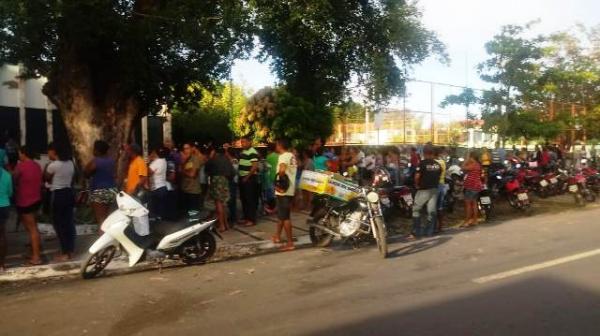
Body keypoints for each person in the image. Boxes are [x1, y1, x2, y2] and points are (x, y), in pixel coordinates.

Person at [45, 142, 76, 261]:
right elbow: (72, 178)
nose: (48, 153)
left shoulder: (53, 165)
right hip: (68, 192)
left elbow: (47, 178)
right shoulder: (70, 163)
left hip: (58, 194)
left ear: (54, 151)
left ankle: (65, 252)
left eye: (49, 151)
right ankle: (70, 249)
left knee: (59, 224)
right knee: (68, 222)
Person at [14, 146, 43, 265]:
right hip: (36, 199)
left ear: (24, 154)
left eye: (19, 154)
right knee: (32, 227)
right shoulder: (37, 165)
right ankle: (33, 252)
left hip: (25, 201)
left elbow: (14, 179)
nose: (19, 156)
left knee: (32, 229)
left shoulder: (20, 166)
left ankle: (36, 257)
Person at [410, 146, 441, 239]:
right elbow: (438, 176)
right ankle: (429, 231)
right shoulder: (437, 164)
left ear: (425, 153)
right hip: (434, 190)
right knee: (431, 211)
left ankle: (416, 231)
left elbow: (417, 176)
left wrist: (416, 185)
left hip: (423, 190)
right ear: (432, 153)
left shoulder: (422, 163)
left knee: (416, 210)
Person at [272, 139, 297, 251]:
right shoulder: (291, 155)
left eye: (276, 144)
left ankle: (290, 243)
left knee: (285, 217)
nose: (275, 146)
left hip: (283, 191)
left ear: (280, 145)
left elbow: (282, 170)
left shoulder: (283, 156)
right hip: (289, 190)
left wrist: (278, 182)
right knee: (282, 215)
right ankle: (277, 236)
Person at [84, 140, 116, 227]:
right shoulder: (112, 161)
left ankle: (103, 237)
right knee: (107, 218)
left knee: (101, 221)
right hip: (111, 191)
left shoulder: (96, 161)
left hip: (99, 191)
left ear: (97, 150)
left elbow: (86, 173)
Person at [206, 145, 234, 232]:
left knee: (218, 204)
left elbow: (206, 169)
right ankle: (226, 224)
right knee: (223, 204)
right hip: (225, 180)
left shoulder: (213, 159)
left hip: (216, 180)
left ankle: (222, 225)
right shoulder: (227, 160)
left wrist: (210, 157)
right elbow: (232, 172)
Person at [238, 136, 259, 227]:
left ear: (250, 142)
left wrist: (247, 177)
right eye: (242, 142)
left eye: (244, 142)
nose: (243, 144)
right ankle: (246, 218)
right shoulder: (243, 151)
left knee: (250, 199)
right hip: (242, 178)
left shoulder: (253, 152)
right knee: (244, 199)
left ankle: (251, 219)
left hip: (249, 179)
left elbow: (254, 166)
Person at [462, 151, 483, 227]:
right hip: (476, 186)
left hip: (471, 186)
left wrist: (466, 160)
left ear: (471, 157)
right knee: (474, 204)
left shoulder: (473, 164)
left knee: (468, 204)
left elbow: (463, 167)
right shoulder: (478, 164)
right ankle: (475, 220)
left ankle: (467, 221)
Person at [180, 142, 203, 212]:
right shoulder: (184, 159)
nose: (185, 151)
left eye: (187, 148)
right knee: (186, 212)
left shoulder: (195, 159)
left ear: (192, 149)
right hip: (185, 189)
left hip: (193, 191)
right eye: (184, 149)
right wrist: (183, 162)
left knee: (193, 213)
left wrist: (182, 170)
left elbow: (193, 175)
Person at [0, 150, 12, 271]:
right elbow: (10, 193)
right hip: (4, 206)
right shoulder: (7, 175)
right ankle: (2, 265)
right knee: (2, 235)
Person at [148, 147, 168, 219]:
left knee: (153, 211)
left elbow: (148, 173)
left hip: (156, 188)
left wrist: (149, 161)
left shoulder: (156, 162)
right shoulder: (164, 160)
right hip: (163, 187)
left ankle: (155, 225)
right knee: (160, 212)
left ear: (156, 153)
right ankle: (161, 225)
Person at [434, 147, 448, 233]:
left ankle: (434, 226)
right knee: (440, 207)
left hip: (435, 185)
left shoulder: (434, 163)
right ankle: (440, 226)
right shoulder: (442, 162)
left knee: (433, 207)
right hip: (441, 185)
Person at [264, 143, 279, 212]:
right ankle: (277, 208)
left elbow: (266, 168)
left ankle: (273, 208)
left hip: (271, 177)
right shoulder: (278, 156)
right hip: (278, 176)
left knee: (271, 194)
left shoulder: (268, 157)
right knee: (277, 193)